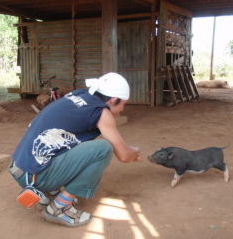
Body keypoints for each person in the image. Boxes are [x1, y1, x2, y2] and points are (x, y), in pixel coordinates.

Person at [8, 72, 142, 227]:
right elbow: (124, 155)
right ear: (113, 99)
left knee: (77, 142)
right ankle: (59, 207)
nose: (122, 110)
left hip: (21, 167)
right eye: (123, 104)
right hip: (35, 175)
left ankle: (50, 191)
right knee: (103, 149)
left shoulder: (79, 95)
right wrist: (135, 151)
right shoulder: (101, 112)